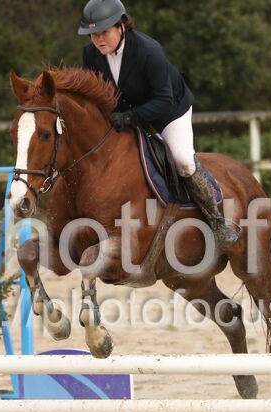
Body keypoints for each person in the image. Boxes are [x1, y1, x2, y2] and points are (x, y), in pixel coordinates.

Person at [79, 0, 239, 249]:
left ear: (121, 26)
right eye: (93, 34)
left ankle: (216, 220)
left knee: (182, 160)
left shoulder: (149, 51)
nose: (98, 40)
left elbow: (163, 100)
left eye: (104, 32)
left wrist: (130, 118)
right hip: (126, 111)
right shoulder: (90, 54)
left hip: (169, 109)